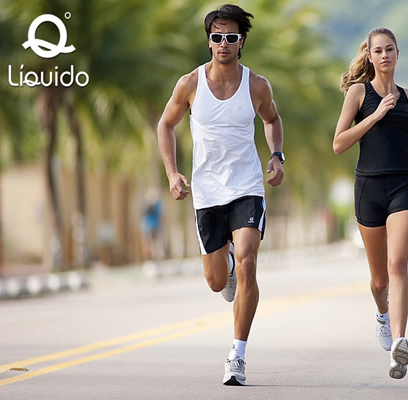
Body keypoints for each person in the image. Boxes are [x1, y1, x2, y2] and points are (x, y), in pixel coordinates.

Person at [157, 4, 284, 386]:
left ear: (242, 41)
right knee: (217, 282)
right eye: (217, 37)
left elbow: (272, 119)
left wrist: (277, 155)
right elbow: (165, 124)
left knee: (248, 262)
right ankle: (224, 266)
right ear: (209, 41)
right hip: (207, 191)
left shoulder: (257, 85)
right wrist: (172, 172)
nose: (223, 44)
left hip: (246, 186)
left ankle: (237, 355)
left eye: (231, 37)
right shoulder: (190, 84)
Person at [333, 27, 408, 379]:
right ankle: (382, 314)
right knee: (379, 281)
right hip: (368, 189)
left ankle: (399, 344)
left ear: (397, 54)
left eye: (389, 49)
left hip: (403, 186)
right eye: (377, 51)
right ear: (370, 56)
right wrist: (375, 115)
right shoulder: (358, 93)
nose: (384, 56)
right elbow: (339, 143)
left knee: (398, 265)